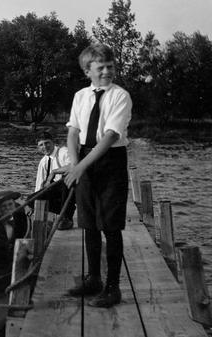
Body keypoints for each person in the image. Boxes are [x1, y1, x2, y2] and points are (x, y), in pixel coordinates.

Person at [62, 44, 132, 308]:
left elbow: (111, 135)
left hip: (110, 160)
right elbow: (72, 132)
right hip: (84, 158)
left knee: (111, 226)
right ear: (87, 71)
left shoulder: (120, 96)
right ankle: (94, 279)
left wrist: (81, 167)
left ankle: (113, 288)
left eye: (110, 66)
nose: (106, 71)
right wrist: (74, 163)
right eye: (100, 67)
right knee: (88, 223)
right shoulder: (80, 96)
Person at [32, 131, 75, 230]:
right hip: (57, 193)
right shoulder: (43, 162)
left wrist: (54, 172)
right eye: (41, 145)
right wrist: (33, 203)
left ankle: (67, 218)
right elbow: (39, 186)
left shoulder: (63, 152)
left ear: (53, 142)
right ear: (38, 148)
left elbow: (74, 166)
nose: (45, 147)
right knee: (32, 199)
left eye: (47, 143)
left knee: (64, 182)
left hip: (72, 190)